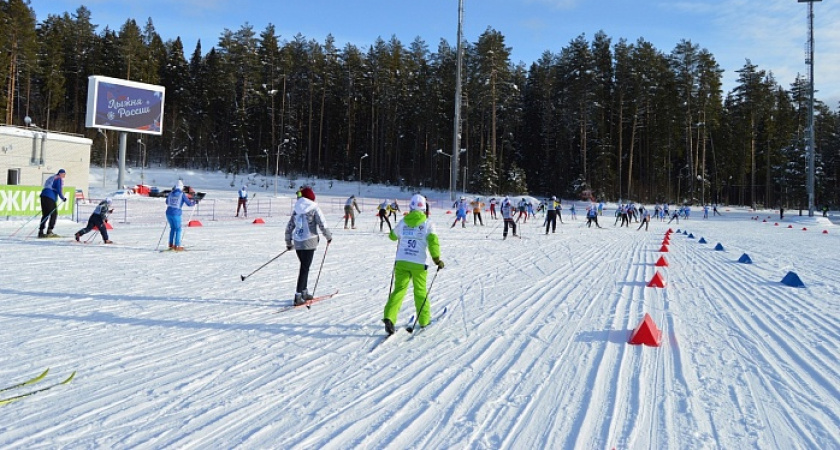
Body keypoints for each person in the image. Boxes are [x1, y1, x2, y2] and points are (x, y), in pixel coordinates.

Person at [382, 194, 443, 335]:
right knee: (420, 292)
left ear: (411, 207)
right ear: (424, 208)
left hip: (402, 262)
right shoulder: (428, 223)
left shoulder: (404, 221)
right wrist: (437, 259)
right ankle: (424, 320)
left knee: (399, 290)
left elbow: (392, 236)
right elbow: (433, 242)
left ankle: (389, 317)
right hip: (419, 264)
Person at [285, 187, 332, 306]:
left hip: (298, 242)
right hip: (309, 241)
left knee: (304, 267)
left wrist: (288, 242)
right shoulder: (314, 208)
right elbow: (322, 223)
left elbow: (290, 226)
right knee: (304, 269)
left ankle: (304, 292)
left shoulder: (296, 208)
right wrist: (328, 236)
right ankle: (298, 296)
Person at [165, 180, 196, 251]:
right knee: (178, 229)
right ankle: (177, 246)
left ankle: (171, 244)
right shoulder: (182, 194)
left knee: (172, 228)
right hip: (176, 214)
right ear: (181, 188)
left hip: (168, 213)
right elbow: (189, 204)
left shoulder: (171, 193)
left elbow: (166, 202)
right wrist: (194, 201)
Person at [38, 169, 67, 238]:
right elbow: (59, 190)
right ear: (60, 174)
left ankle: (41, 231)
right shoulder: (59, 179)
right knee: (54, 214)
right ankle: (49, 230)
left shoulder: (52, 177)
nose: (64, 176)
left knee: (45, 214)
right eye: (64, 174)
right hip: (50, 196)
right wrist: (63, 198)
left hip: (43, 195)